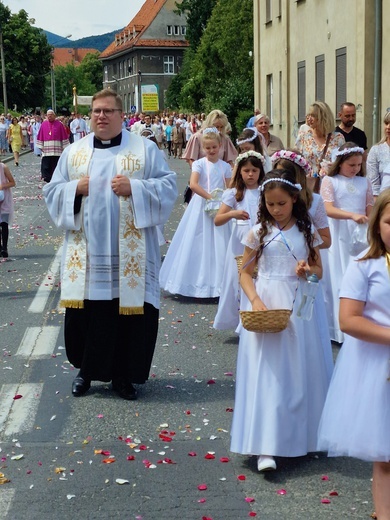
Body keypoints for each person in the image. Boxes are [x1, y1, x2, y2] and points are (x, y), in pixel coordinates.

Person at [43, 88, 177, 400]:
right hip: (88, 255)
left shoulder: (144, 150)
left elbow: (168, 186)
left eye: (108, 111)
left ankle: (123, 376)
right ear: (90, 117)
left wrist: (136, 187)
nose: (101, 116)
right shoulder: (73, 152)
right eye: (96, 112)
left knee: (128, 316)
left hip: (132, 255)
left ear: (121, 115)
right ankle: (86, 372)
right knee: (90, 315)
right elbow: (52, 191)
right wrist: (75, 188)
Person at [230, 170, 329, 472]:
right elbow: (245, 272)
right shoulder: (258, 231)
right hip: (268, 299)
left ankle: (304, 437)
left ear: (295, 199)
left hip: (299, 301)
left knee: (300, 370)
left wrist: (306, 271)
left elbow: (318, 271)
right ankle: (265, 446)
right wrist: (256, 301)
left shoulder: (306, 230)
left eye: (281, 204)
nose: (276, 210)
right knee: (267, 373)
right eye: (270, 204)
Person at [317, 188, 390, 520]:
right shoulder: (364, 267)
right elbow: (349, 320)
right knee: (386, 453)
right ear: (377, 226)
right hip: (380, 367)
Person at [272, 149, 333, 380]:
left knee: (303, 330)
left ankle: (305, 378)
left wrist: (304, 240)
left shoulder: (314, 201)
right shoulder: (273, 200)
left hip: (305, 269)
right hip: (277, 271)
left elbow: (327, 240)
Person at [159, 128, 232, 298]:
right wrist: (209, 197)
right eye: (208, 148)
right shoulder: (199, 164)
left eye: (214, 147)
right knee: (198, 238)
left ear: (220, 146)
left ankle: (220, 285)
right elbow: (193, 184)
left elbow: (229, 186)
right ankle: (194, 283)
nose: (211, 151)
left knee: (220, 241)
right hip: (201, 204)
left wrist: (223, 199)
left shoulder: (225, 166)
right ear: (203, 148)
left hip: (219, 205)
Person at [320, 142, 374, 343]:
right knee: (338, 278)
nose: (355, 169)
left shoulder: (364, 182)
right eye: (351, 164)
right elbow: (328, 209)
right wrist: (352, 215)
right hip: (339, 233)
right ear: (340, 162)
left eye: (359, 165)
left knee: (360, 278)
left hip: (360, 234)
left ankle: (360, 323)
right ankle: (337, 327)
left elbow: (370, 210)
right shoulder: (330, 181)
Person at [213, 151, 265, 330]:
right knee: (239, 278)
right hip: (240, 241)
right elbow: (218, 220)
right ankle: (240, 321)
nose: (250, 174)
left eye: (254, 170)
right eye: (246, 170)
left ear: (260, 171)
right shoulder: (233, 193)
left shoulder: (265, 191)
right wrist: (233, 213)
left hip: (261, 239)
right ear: (240, 172)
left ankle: (257, 315)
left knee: (259, 278)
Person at [295, 101, 345, 191]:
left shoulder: (338, 138)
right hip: (308, 185)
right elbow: (296, 160)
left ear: (323, 117)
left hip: (331, 185)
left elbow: (343, 162)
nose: (309, 118)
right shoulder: (303, 136)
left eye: (313, 116)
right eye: (308, 115)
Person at [36, 109, 70, 182]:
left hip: (57, 149)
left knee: (56, 164)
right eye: (48, 115)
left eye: (51, 115)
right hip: (47, 149)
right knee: (46, 165)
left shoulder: (59, 124)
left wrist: (65, 147)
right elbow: (40, 135)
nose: (50, 116)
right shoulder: (43, 124)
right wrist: (41, 146)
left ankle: (56, 177)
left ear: (54, 116)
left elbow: (63, 135)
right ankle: (47, 177)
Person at [366, 111, 390, 197]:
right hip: (384, 203)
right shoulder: (376, 150)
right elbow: (373, 186)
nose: (388, 127)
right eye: (386, 123)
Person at [0, 162, 15, 258]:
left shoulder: (3, 167)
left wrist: (2, 186)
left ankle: (4, 248)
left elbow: (12, 182)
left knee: (4, 224)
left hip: (4, 199)